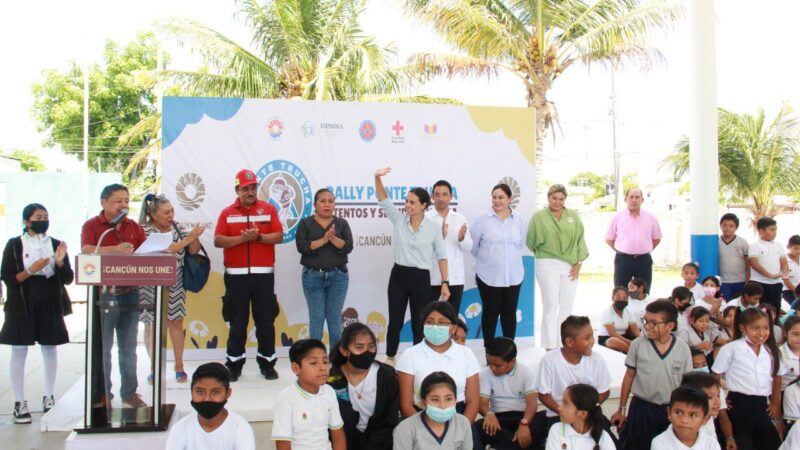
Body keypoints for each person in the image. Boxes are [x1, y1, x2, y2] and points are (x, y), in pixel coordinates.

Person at [1, 204, 73, 423]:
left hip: (49, 299)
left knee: (50, 347)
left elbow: (68, 278)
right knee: (20, 349)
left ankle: (49, 397)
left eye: (46, 216)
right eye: (38, 217)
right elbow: (8, 277)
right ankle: (19, 402)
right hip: (23, 301)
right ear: (26, 221)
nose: (43, 220)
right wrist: (31, 269)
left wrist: (59, 262)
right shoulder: (15, 244)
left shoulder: (55, 243)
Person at [81, 183, 147, 408]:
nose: (124, 205)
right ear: (104, 202)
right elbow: (88, 249)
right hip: (105, 294)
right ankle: (103, 395)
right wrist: (114, 250)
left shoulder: (133, 226)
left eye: (127, 201)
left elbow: (146, 249)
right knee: (104, 346)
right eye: (119, 201)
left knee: (129, 347)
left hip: (131, 292)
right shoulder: (93, 225)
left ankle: (129, 392)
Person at [374, 167, 449, 364]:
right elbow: (383, 198)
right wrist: (377, 178)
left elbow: (442, 256)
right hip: (399, 276)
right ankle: (390, 357)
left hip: (421, 278)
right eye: (407, 201)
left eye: (412, 202)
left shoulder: (433, 227)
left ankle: (417, 359)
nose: (408, 205)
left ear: (424, 205)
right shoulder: (399, 220)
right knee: (395, 321)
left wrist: (445, 282)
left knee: (419, 323)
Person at [214, 169, 283, 381]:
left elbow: (279, 236)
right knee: (237, 323)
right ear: (238, 190)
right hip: (236, 277)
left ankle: (267, 363)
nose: (250, 192)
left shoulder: (269, 209)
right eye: (246, 189)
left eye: (253, 187)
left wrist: (259, 237)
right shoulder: (227, 213)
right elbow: (218, 240)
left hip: (263, 277)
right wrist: (242, 240)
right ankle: (234, 365)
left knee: (265, 321)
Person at [138, 194, 204, 384]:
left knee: (176, 324)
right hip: (148, 284)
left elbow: (192, 250)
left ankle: (179, 366)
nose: (170, 215)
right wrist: (187, 239)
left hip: (174, 284)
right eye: (166, 212)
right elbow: (169, 249)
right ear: (153, 214)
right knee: (150, 326)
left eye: (172, 211)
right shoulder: (144, 229)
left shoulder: (177, 227)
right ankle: (154, 367)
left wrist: (194, 238)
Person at [611, 300, 693, 450]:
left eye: (654, 323)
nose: (647, 326)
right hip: (642, 408)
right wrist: (621, 409)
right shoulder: (637, 344)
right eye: (646, 321)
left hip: (669, 409)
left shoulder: (682, 348)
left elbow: (686, 382)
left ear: (670, 326)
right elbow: (629, 376)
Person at [533, 316, 612, 450]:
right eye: (587, 338)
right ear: (570, 342)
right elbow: (543, 394)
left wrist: (585, 410)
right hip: (558, 415)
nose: (593, 341)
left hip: (587, 415)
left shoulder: (597, 359)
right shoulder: (549, 360)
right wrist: (564, 411)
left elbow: (604, 391)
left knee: (607, 440)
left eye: (592, 336)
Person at [711, 307, 785, 450]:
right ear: (742, 328)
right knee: (743, 443)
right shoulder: (731, 348)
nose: (762, 333)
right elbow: (716, 376)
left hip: (762, 404)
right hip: (738, 404)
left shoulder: (771, 351)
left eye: (765, 328)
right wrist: (720, 400)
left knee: (768, 443)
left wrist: (775, 403)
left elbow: (777, 377)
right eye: (755, 328)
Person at [527, 184, 589, 350]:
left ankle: (565, 343)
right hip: (547, 263)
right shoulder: (539, 217)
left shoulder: (573, 217)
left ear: (565, 200)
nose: (557, 202)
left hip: (570, 265)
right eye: (554, 198)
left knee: (567, 305)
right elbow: (531, 242)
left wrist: (578, 264)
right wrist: (546, 253)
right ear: (548, 198)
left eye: (561, 199)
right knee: (551, 305)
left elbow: (580, 241)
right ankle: (550, 346)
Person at [397, 302, 480, 424]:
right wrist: (424, 431)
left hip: (459, 418)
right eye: (430, 322)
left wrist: (462, 429)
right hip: (420, 418)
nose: (435, 326)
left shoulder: (467, 354)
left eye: (442, 322)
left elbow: (473, 401)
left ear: (453, 328)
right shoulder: (409, 355)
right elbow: (406, 405)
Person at [295, 188, 354, 344]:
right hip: (312, 277)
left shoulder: (341, 223)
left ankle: (335, 359)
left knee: (334, 317)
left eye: (330, 201)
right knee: (317, 317)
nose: (327, 204)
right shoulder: (305, 223)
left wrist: (332, 238)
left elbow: (348, 247)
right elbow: (302, 247)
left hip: (338, 277)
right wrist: (323, 240)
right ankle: (315, 358)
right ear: (315, 204)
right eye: (323, 201)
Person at [471, 183, 525, 348]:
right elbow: (474, 247)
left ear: (509, 199)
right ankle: (490, 353)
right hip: (488, 276)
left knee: (509, 315)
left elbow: (520, 243)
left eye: (501, 197)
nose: (497, 201)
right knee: (490, 314)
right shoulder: (482, 219)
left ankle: (509, 352)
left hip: (513, 276)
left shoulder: (519, 219)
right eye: (494, 197)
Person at [328, 323, 399, 449]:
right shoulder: (331, 380)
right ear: (344, 351)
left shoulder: (387, 376)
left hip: (380, 445)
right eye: (359, 347)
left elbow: (389, 421)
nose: (367, 352)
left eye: (371, 346)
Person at [272, 339, 345, 450]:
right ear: (296, 368)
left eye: (325, 362)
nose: (322, 368)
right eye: (313, 363)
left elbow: (338, 434)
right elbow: (283, 444)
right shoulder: (286, 398)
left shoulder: (329, 392)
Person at [165, 362, 255, 450]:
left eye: (215, 392)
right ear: (191, 392)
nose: (207, 399)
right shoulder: (179, 429)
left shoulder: (241, 429)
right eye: (200, 392)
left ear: (228, 393)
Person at [476, 337, 537, 450]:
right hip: (498, 421)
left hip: (522, 417)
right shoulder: (485, 373)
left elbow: (532, 402)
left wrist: (524, 424)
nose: (493, 368)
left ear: (512, 361)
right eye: (490, 364)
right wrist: (488, 414)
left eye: (498, 365)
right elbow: (482, 403)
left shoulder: (526, 371)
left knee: (542, 422)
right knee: (478, 426)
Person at [392, 371, 473, 450]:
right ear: (424, 402)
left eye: (448, 399)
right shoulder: (405, 429)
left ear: (456, 400)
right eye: (435, 399)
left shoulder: (463, 423)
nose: (442, 405)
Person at [427, 179, 473, 314]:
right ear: (432, 197)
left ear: (451, 196)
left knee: (452, 318)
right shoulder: (426, 218)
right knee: (430, 319)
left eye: (445, 194)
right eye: (437, 194)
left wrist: (462, 238)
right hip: (432, 278)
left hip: (455, 278)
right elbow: (421, 249)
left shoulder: (460, 218)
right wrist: (438, 238)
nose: (441, 198)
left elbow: (469, 247)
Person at [605, 188, 662, 292]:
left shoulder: (650, 218)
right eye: (631, 197)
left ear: (642, 200)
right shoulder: (617, 217)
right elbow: (609, 238)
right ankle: (621, 308)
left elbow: (657, 238)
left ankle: (642, 309)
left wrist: (644, 248)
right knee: (620, 290)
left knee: (643, 291)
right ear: (625, 199)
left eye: (637, 197)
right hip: (623, 260)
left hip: (644, 260)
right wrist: (621, 249)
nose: (634, 200)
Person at [545, 384, 616, 450]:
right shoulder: (557, 430)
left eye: (565, 404)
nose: (559, 408)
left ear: (583, 414)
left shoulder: (603, 437)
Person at [650, 385, 720, 450]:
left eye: (692, 415)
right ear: (669, 413)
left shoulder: (711, 444)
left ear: (704, 419)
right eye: (678, 413)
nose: (684, 420)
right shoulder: (659, 443)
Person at [680, 372, 735, 450]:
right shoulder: (687, 431)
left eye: (718, 395)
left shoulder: (708, 419)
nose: (718, 402)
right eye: (710, 397)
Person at [748, 217, 789, 311]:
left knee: (775, 309)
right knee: (760, 310)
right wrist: (770, 275)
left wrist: (785, 274)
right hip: (759, 283)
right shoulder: (754, 245)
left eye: (775, 229)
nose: (775, 232)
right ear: (761, 231)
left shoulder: (779, 245)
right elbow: (754, 264)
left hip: (776, 283)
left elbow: (784, 262)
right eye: (772, 230)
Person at [598, 286, 639, 353]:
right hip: (608, 338)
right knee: (613, 341)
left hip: (624, 337)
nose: (621, 300)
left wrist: (643, 340)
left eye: (624, 298)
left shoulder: (629, 312)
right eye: (618, 297)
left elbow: (636, 331)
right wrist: (631, 343)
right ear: (612, 298)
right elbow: (613, 334)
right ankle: (634, 354)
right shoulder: (607, 312)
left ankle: (634, 352)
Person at [718, 213, 750, 302]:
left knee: (739, 305)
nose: (727, 228)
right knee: (726, 305)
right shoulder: (716, 242)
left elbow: (748, 264)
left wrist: (747, 282)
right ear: (720, 226)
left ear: (736, 228)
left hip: (740, 281)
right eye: (724, 225)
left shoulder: (743, 242)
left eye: (731, 226)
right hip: (723, 282)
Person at [780, 316, 800, 435]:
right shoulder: (779, 353)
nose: (799, 338)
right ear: (786, 333)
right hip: (784, 396)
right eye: (795, 334)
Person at [782, 235, 800, 305]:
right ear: (788, 247)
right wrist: (797, 292)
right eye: (796, 248)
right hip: (789, 290)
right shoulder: (784, 260)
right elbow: (786, 280)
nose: (799, 251)